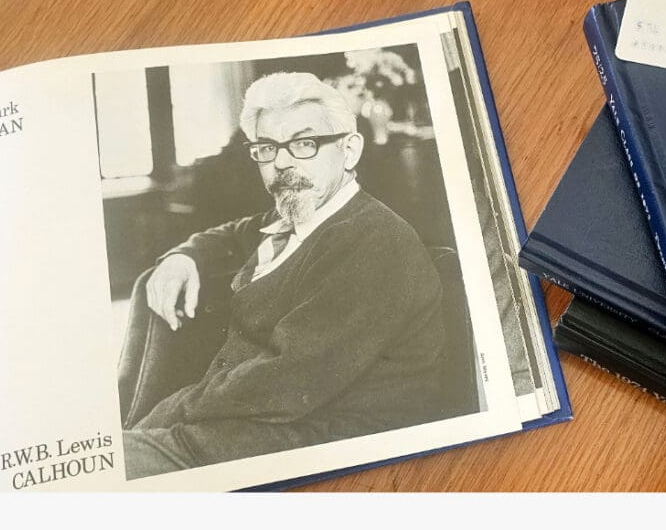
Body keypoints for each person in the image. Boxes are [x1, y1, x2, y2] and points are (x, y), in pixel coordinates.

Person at [121, 72, 451, 479]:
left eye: (304, 143)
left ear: (349, 150)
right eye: (266, 147)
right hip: (255, 425)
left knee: (113, 464)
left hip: (331, 451)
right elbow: (233, 234)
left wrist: (170, 413)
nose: (281, 161)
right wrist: (183, 256)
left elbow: (285, 380)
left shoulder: (376, 242)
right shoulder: (299, 215)